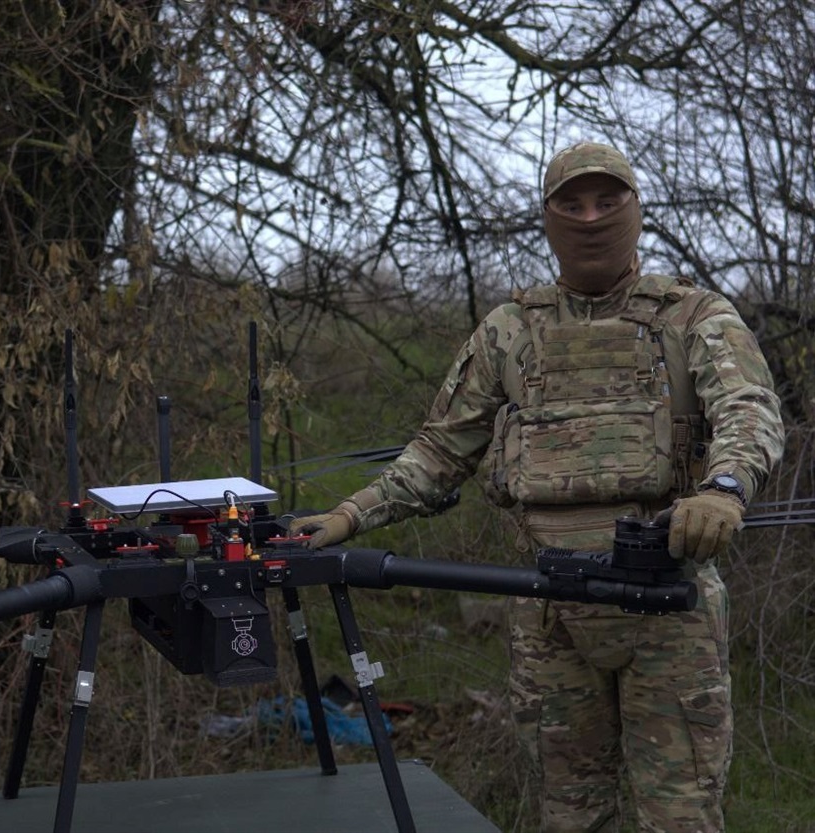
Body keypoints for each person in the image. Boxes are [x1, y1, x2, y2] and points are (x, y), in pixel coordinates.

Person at [289, 142, 784, 832]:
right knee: (569, 815)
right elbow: (438, 450)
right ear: (548, 218)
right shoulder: (511, 330)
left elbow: (748, 410)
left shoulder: (693, 317)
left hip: (670, 613)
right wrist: (348, 516)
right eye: (572, 204)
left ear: (636, 209)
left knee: (681, 817)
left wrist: (723, 488)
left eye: (608, 201)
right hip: (549, 615)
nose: (591, 217)